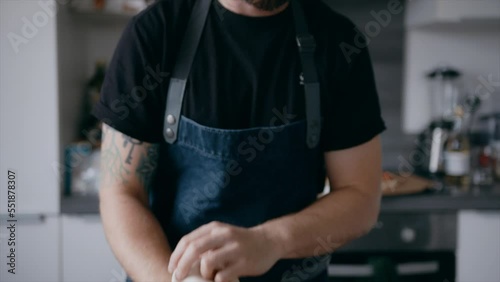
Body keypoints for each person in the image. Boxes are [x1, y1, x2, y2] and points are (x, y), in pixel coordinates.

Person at [91, 0, 386, 281]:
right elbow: (122, 192)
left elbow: (360, 197)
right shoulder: (156, 33)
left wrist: (270, 241)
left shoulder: (338, 42)